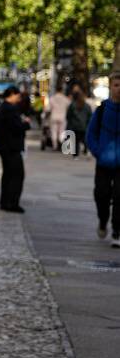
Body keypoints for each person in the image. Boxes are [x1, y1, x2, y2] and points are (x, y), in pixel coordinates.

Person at [85, 69, 120, 246]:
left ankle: (117, 230)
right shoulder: (102, 109)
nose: (119, 89)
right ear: (110, 87)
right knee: (101, 194)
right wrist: (98, 151)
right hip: (104, 161)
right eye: (116, 85)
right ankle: (102, 219)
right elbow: (90, 134)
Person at [0, 85, 30, 213]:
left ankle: (5, 202)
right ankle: (12, 203)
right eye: (18, 95)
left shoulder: (3, 107)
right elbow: (16, 127)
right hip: (10, 147)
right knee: (16, 175)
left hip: (5, 146)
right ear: (12, 95)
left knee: (8, 174)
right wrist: (26, 124)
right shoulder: (9, 109)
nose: (19, 98)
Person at [67, 85, 92, 160]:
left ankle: (75, 155)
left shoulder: (72, 105)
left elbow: (68, 115)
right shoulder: (87, 105)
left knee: (75, 141)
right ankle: (87, 150)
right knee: (84, 140)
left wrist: (70, 122)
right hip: (84, 126)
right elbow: (89, 116)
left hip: (74, 126)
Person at [48, 82, 70, 150]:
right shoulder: (66, 99)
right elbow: (69, 107)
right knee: (61, 131)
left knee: (54, 131)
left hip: (54, 116)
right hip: (62, 117)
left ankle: (55, 145)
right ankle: (61, 143)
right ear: (62, 90)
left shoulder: (52, 98)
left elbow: (48, 109)